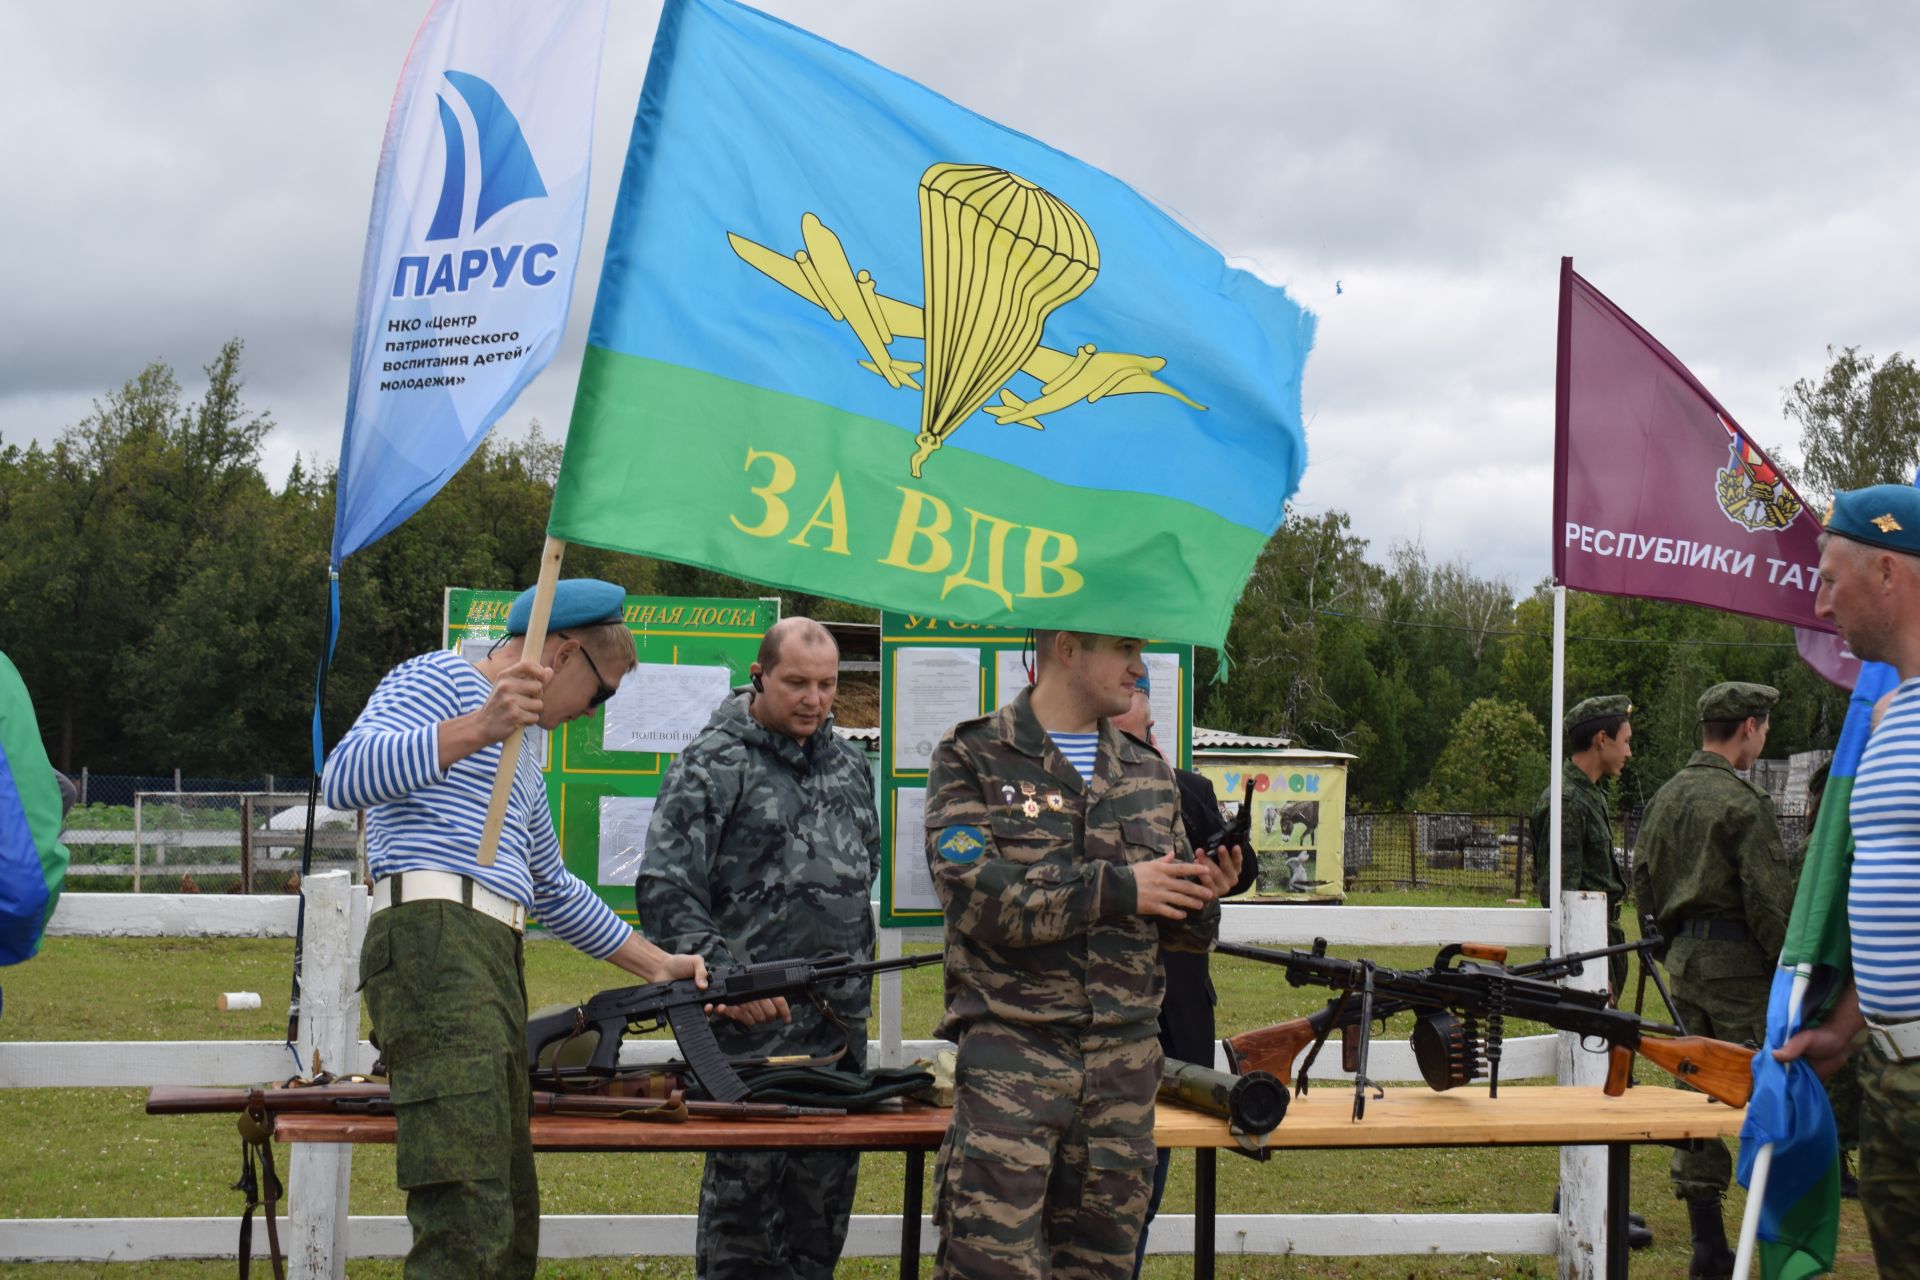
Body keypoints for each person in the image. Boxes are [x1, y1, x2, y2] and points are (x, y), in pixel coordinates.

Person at [323, 579, 771, 1279]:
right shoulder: (439, 676)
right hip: (432, 936)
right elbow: (342, 778)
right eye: (600, 693)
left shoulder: (525, 757)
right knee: (466, 1204)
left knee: (507, 1205)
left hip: (491, 952)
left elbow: (553, 889)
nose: (595, 712)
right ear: (562, 655)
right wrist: (478, 726)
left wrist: (657, 964)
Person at [923, 628, 1242, 1280]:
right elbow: (974, 898)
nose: (1139, 666)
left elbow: (1177, 927)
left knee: (1103, 1270)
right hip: (1013, 1058)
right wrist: (1123, 887)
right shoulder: (974, 755)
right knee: (988, 1265)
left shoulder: (1148, 773)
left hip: (1122, 1071)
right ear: (1068, 649)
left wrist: (1202, 897)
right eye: (1124, 649)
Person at [635, 616, 879, 1280]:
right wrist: (732, 981)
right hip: (749, 1037)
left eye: (827, 685)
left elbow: (864, 872)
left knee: (819, 1220)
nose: (813, 699)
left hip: (836, 1034)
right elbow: (666, 890)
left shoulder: (852, 765)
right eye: (796, 682)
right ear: (759, 677)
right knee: (744, 1229)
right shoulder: (713, 763)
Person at [1775, 484, 1920, 1278]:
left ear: (1890, 574)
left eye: (1831, 578)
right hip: (1891, 1073)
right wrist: (1850, 1024)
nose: (1822, 604)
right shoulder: (1891, 715)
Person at [1630, 680, 1794, 1278]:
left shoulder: (1666, 798)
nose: (1764, 736)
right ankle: (1765, 1237)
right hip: (1740, 971)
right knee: (1759, 1090)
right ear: (1748, 727)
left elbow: (1642, 886)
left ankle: (1707, 1241)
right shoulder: (1743, 805)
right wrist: (1789, 969)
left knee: (1695, 1089)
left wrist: (1676, 945)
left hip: (1685, 965)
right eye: (1765, 726)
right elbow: (1770, 903)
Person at [1110, 670, 1256, 1279]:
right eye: (1132, 735)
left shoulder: (1186, 788)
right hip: (1101, 1022)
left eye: (1146, 732)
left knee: (1146, 1187)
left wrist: (1225, 873)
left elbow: (1242, 869)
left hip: (1177, 1012)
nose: (1146, 748)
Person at [1528, 694, 1634, 996]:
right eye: (1625, 741)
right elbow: (1560, 896)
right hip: (1586, 947)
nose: (1629, 751)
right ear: (1602, 739)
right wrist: (1581, 969)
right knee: (1592, 1040)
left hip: (1603, 938)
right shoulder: (1567, 802)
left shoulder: (1589, 794)